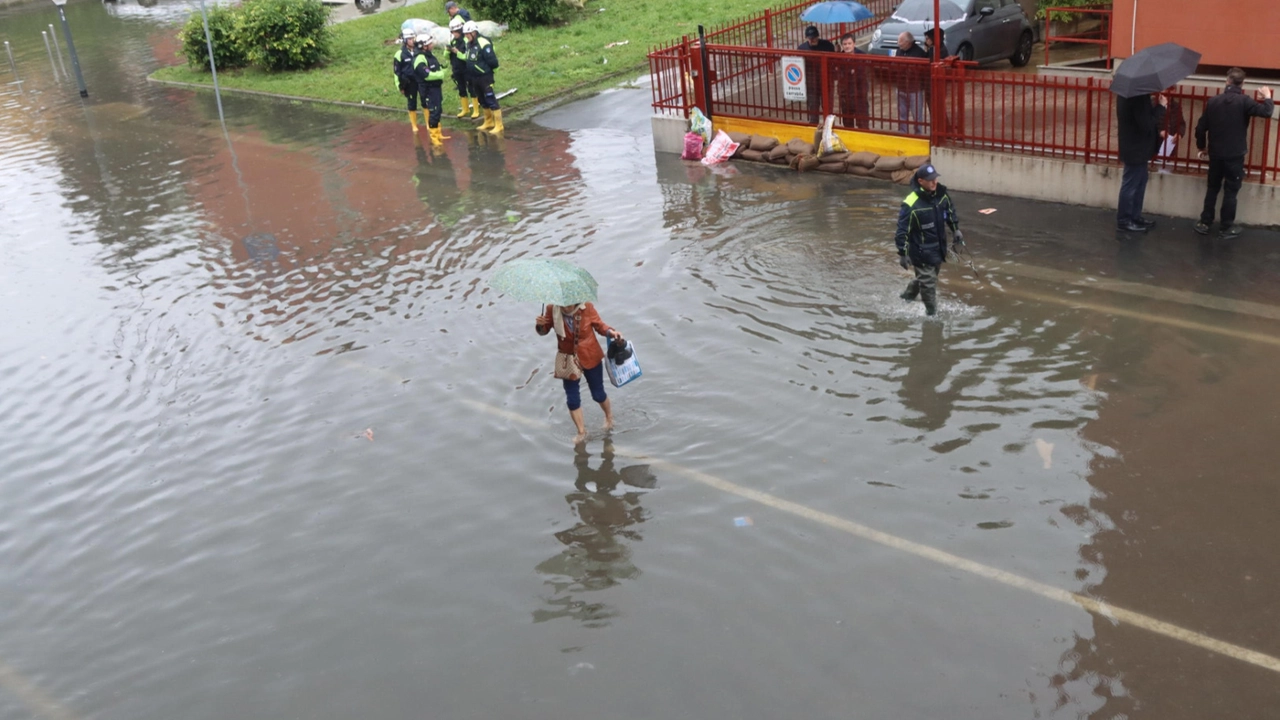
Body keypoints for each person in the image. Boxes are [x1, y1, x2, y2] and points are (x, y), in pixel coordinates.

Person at [1194, 68, 1276, 239]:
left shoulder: (1213, 101)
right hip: (1234, 154)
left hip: (1216, 153)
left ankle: (1205, 222)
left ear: (1227, 81)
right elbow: (1267, 112)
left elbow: (1201, 128)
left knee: (1212, 188)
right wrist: (1267, 97)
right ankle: (1226, 227)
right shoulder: (1245, 101)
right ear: (1243, 83)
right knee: (1231, 191)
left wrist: (1201, 147)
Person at [536, 303, 624, 442]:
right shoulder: (552, 309)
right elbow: (543, 331)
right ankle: (581, 432)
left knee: (598, 394)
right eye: (562, 305)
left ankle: (608, 417)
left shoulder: (587, 307)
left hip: (589, 354)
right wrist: (540, 325)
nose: (565, 308)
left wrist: (611, 332)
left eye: (568, 306)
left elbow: (599, 326)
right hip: (568, 358)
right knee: (572, 399)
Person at [894, 164, 962, 317]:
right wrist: (903, 253)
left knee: (927, 279)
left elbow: (949, 210)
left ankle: (907, 297)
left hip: (938, 249)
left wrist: (955, 228)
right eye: (930, 180)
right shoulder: (911, 203)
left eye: (935, 178)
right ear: (920, 181)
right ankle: (932, 316)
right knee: (929, 284)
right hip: (920, 252)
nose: (934, 182)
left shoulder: (941, 195)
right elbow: (902, 231)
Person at [1115, 91, 1167, 232]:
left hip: (1136, 148)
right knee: (1131, 185)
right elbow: (1146, 123)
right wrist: (1161, 107)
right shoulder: (1137, 97)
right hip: (1136, 148)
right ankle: (1125, 220)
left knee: (1139, 183)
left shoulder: (1129, 95)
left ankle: (1135, 216)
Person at [463, 21, 503, 134]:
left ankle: (499, 124)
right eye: (465, 34)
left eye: (467, 34)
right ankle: (488, 121)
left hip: (485, 76)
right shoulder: (469, 43)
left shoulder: (483, 42)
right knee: (481, 99)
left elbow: (492, 60)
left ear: (474, 32)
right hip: (474, 77)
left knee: (490, 98)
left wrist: (491, 72)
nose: (466, 36)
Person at [411, 33, 450, 147]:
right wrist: (441, 74)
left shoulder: (428, 55)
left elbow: (435, 67)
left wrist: (444, 68)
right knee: (433, 112)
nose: (432, 45)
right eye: (429, 43)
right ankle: (434, 137)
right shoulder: (419, 59)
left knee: (438, 110)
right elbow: (427, 75)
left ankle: (439, 133)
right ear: (423, 46)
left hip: (435, 88)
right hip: (428, 90)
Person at [797, 26, 836, 124]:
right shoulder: (802, 49)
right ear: (806, 38)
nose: (812, 40)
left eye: (814, 38)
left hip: (826, 82)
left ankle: (830, 129)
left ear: (818, 36)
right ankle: (814, 130)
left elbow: (834, 61)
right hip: (811, 84)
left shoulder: (827, 45)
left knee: (828, 110)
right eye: (810, 38)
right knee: (813, 109)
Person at [893, 32, 929, 134]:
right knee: (902, 113)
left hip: (914, 89)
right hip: (901, 87)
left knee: (917, 115)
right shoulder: (899, 51)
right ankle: (902, 132)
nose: (899, 45)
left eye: (901, 43)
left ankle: (918, 134)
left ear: (908, 42)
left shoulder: (919, 52)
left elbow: (922, 71)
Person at [447, 17, 479, 119]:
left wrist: (458, 53)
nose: (454, 34)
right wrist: (447, 50)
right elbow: (446, 56)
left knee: (471, 88)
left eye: (455, 31)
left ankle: (476, 110)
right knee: (461, 88)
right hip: (456, 68)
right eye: (452, 32)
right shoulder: (453, 41)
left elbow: (468, 56)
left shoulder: (466, 41)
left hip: (466, 69)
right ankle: (465, 109)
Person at [836, 33, 870, 130]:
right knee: (847, 122)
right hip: (845, 94)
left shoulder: (862, 55)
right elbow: (836, 72)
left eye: (849, 43)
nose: (847, 46)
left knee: (862, 122)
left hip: (860, 94)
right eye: (845, 44)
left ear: (854, 44)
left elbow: (863, 72)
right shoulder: (839, 57)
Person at [392, 29, 422, 132]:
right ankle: (414, 125)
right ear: (405, 40)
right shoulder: (399, 54)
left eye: (413, 38)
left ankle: (428, 123)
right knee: (412, 103)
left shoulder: (419, 50)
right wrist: (400, 86)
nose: (412, 40)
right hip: (409, 82)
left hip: (421, 80)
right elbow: (397, 72)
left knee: (425, 101)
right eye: (409, 38)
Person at [1155, 89, 1185, 173]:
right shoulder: (1153, 103)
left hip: (1169, 146)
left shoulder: (1176, 106)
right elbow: (1149, 123)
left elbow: (1181, 123)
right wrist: (1159, 132)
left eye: (1173, 90)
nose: (1171, 92)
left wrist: (1179, 133)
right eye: (1168, 89)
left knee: (1166, 172)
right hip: (1155, 146)